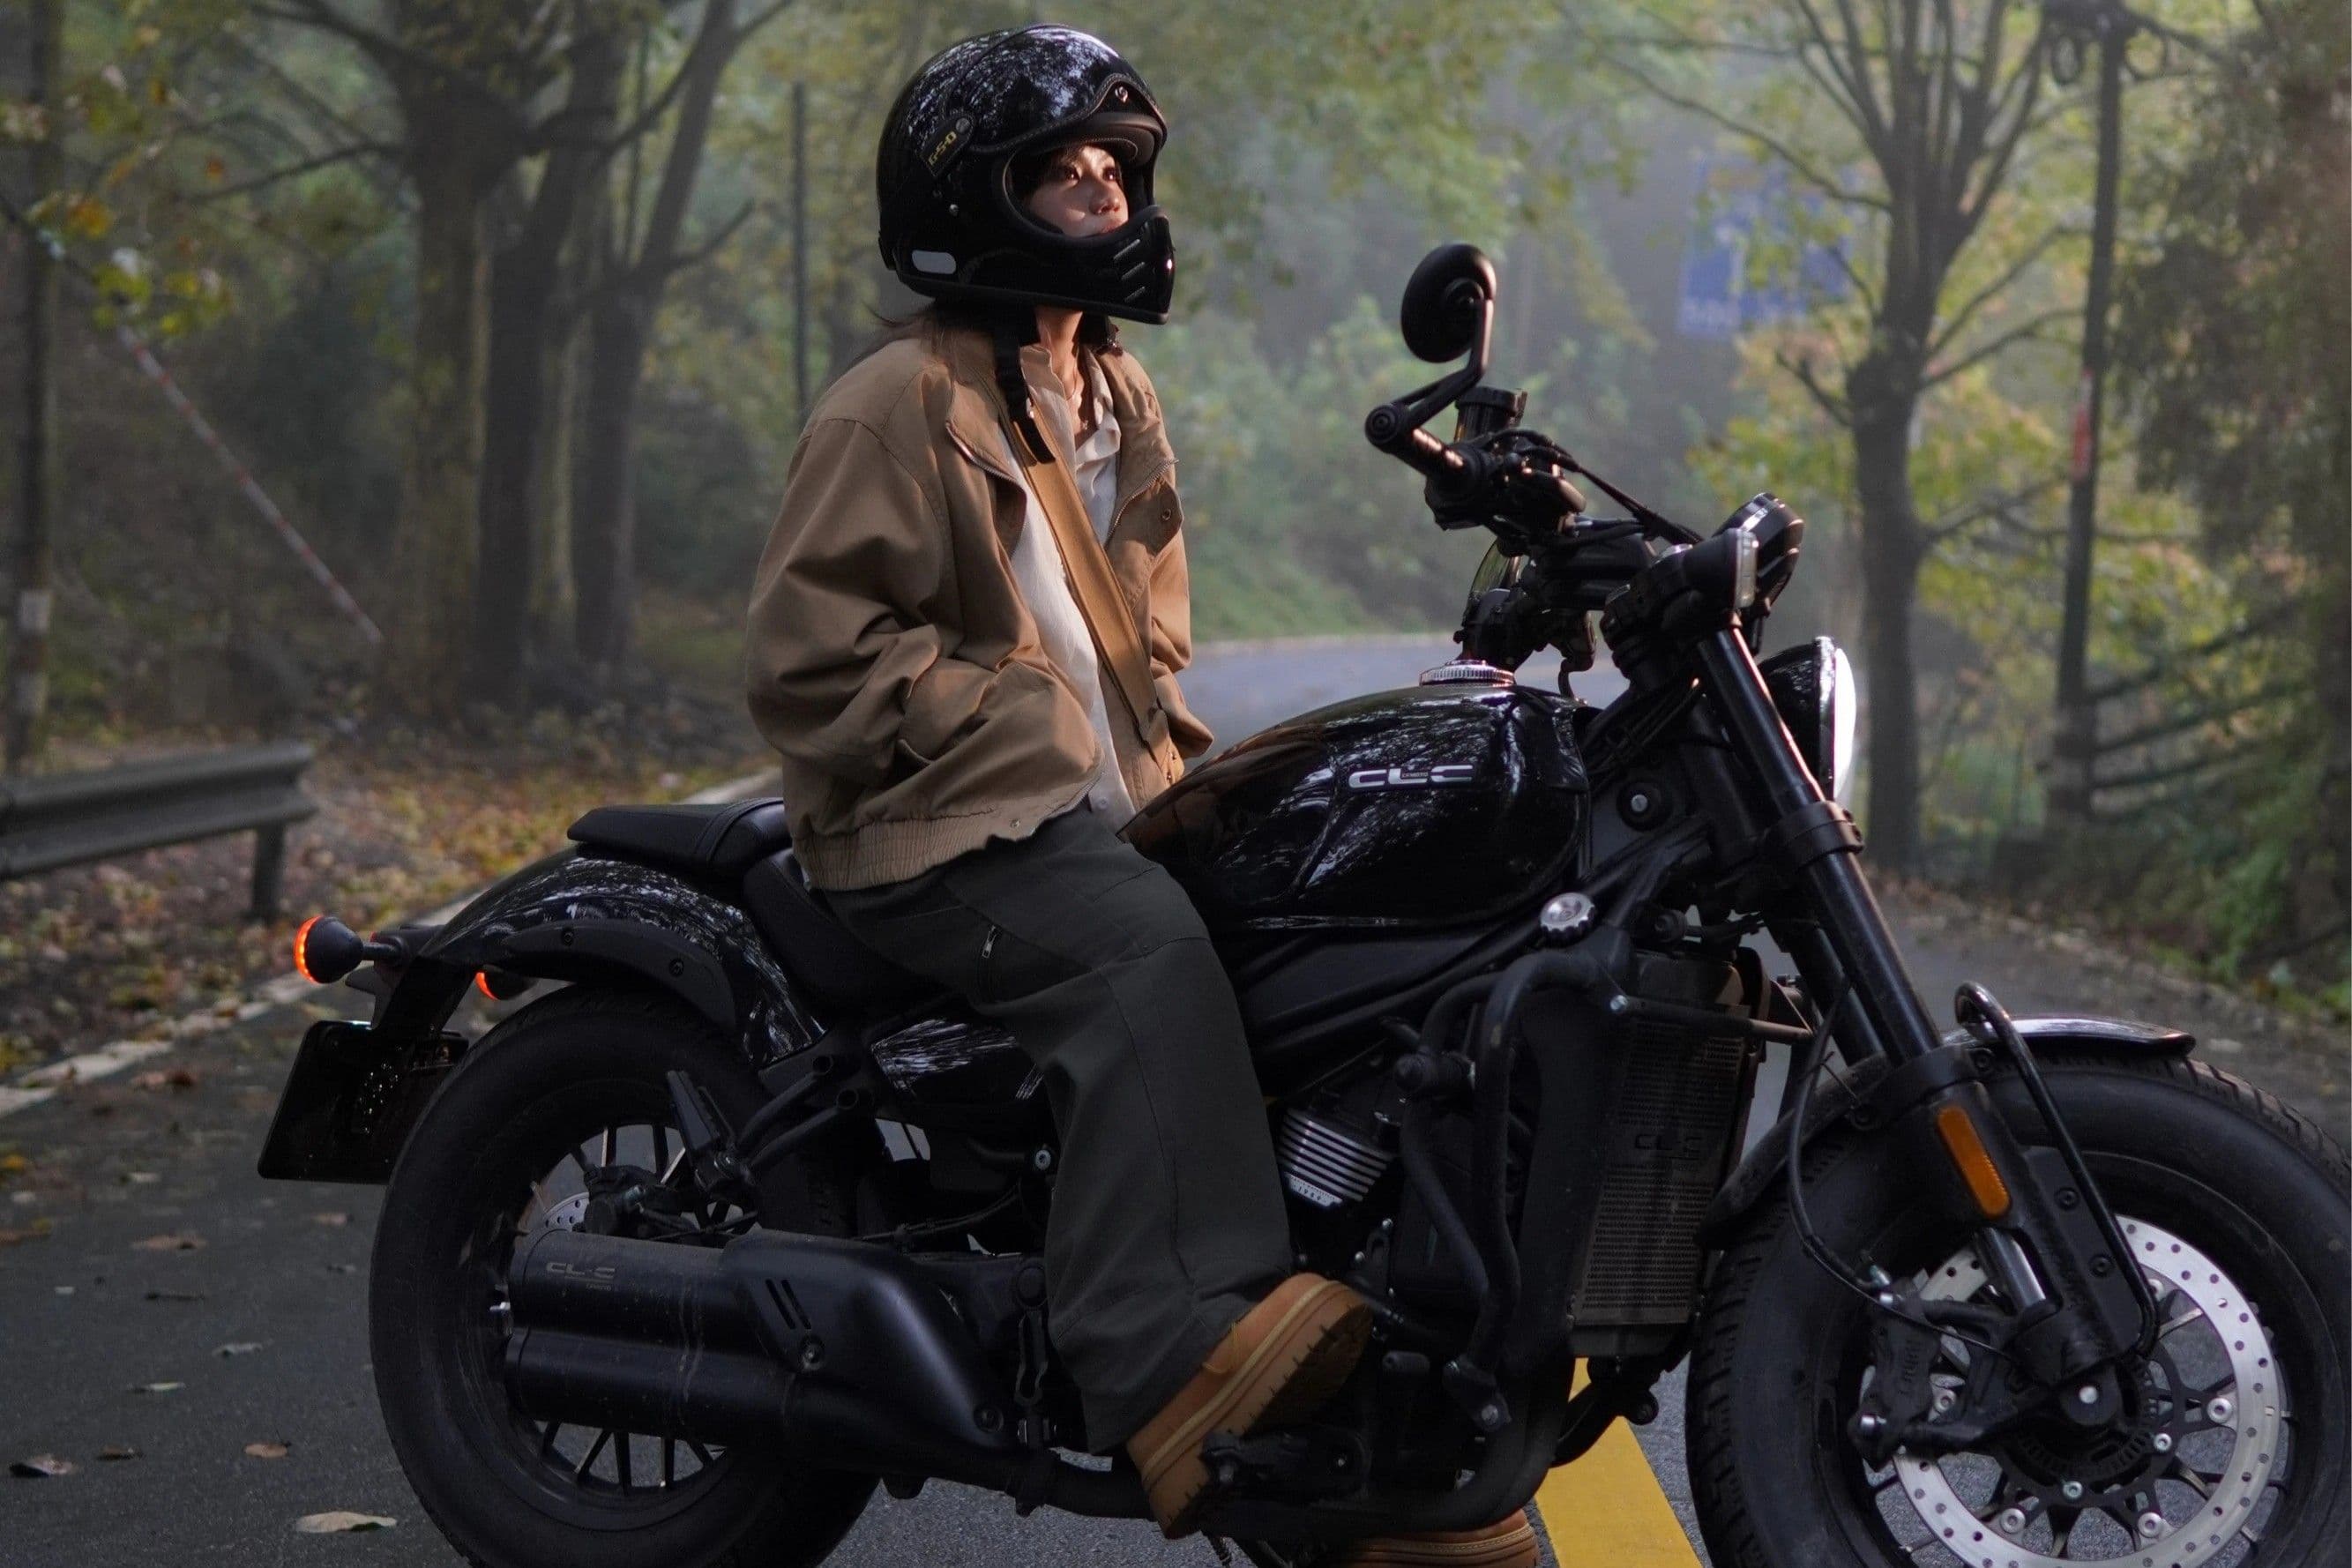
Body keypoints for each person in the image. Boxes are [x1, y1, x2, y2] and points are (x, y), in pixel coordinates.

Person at [745, 26, 1534, 1566]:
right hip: (927, 825)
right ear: (974, 200)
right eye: (1065, 172)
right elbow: (807, 662)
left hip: (1077, 813)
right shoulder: (895, 405)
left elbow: (1147, 638)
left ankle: (1362, 1441)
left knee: (1322, 946)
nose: (1106, 193)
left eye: (1117, 168)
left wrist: (1175, 772)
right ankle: (1170, 1351)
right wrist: (1010, 714)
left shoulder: (1112, 391)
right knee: (1140, 958)